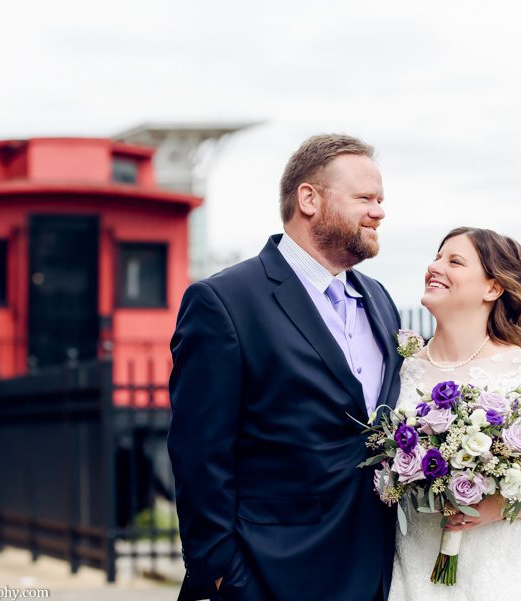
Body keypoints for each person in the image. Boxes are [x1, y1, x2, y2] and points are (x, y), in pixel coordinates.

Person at [167, 134, 403, 601]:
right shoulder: (225, 302)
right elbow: (199, 453)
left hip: (375, 570)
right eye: (364, 198)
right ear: (309, 199)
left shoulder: (380, 299)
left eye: (381, 200)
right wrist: (222, 574)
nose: (379, 212)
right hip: (271, 573)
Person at [388, 227, 521, 601]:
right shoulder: (400, 372)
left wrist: (495, 506)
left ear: (493, 288)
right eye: (436, 257)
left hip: (506, 569)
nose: (434, 267)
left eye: (454, 261)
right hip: (412, 563)